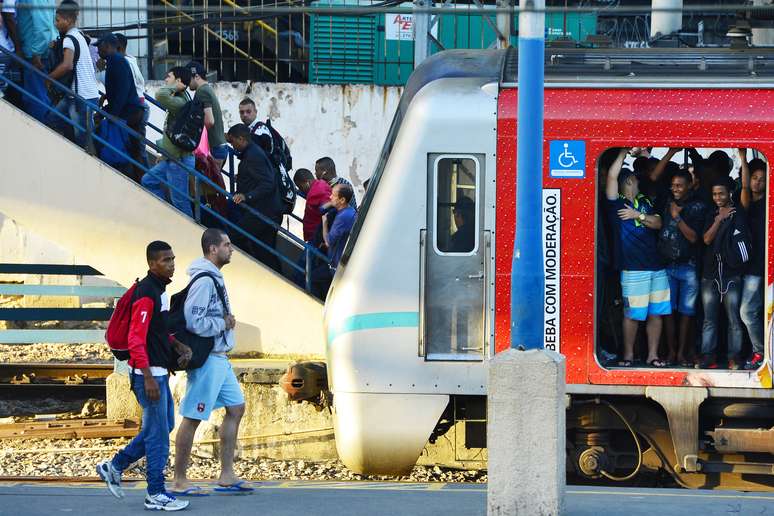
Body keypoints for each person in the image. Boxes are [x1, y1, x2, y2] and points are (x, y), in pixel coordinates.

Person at [96, 241, 191, 511]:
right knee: (158, 436)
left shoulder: (158, 290)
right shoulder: (147, 294)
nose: (172, 264)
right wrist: (148, 377)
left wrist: (177, 345)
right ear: (152, 264)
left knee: (161, 428)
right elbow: (136, 339)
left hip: (158, 372)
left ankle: (114, 466)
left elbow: (157, 331)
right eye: (165, 260)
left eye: (173, 258)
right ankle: (156, 493)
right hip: (149, 376)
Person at [173, 228, 254, 496]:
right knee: (193, 417)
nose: (231, 249)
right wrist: (222, 323)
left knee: (236, 408)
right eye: (227, 245)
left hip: (220, 357)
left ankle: (227, 474)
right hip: (209, 359)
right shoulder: (205, 281)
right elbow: (193, 320)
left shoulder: (213, 278)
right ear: (212, 249)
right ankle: (180, 479)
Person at [606, 148, 670, 368]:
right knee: (632, 314)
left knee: (656, 313)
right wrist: (624, 150)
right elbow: (613, 176)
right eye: (634, 178)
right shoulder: (616, 202)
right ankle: (628, 355)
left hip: (656, 266)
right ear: (630, 181)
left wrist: (638, 215)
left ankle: (653, 356)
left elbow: (658, 223)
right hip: (633, 268)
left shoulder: (645, 201)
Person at [699, 177, 748, 370]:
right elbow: (706, 239)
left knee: (734, 319)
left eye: (721, 193)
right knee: (709, 319)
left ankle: (734, 357)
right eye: (714, 194)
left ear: (729, 193)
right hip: (710, 274)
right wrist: (719, 218)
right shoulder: (711, 212)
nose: (717, 197)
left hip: (731, 274)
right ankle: (708, 356)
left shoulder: (739, 213)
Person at [658, 169, 706, 367]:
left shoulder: (698, 207)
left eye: (679, 185)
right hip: (667, 264)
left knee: (687, 312)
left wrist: (677, 218)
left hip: (689, 266)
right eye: (673, 185)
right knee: (668, 311)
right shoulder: (665, 202)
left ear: (689, 186)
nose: (675, 189)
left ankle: (682, 353)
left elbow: (694, 238)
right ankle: (671, 351)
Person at [227, 123, 284, 271]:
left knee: (232, 237)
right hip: (265, 211)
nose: (232, 146)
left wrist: (247, 196)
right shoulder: (251, 153)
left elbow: (268, 183)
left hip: (264, 212)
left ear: (241, 139)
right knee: (264, 252)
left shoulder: (253, 155)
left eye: (232, 141)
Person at [141, 66, 193, 217]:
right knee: (148, 180)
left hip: (179, 160)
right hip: (171, 158)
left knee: (180, 202)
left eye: (168, 77)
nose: (165, 80)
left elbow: (160, 94)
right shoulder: (178, 99)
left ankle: (189, 233)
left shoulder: (180, 102)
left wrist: (174, 86)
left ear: (177, 81)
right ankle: (167, 214)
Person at [48, 0, 99, 151]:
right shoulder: (78, 35)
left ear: (68, 20)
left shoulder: (70, 38)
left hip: (80, 97)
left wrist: (48, 78)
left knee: (83, 140)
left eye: (57, 20)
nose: (56, 24)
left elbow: (67, 65)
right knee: (53, 120)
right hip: (78, 95)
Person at [97, 33, 146, 179]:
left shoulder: (116, 61)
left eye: (99, 47)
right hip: (128, 111)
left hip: (129, 112)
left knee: (132, 151)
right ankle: (139, 181)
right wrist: (107, 110)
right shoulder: (114, 60)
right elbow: (117, 92)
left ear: (106, 45)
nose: (98, 51)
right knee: (132, 151)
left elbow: (123, 91)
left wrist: (112, 114)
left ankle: (141, 183)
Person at [737, 149, 766, 370]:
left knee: (748, 311)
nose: (757, 183)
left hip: (759, 266)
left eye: (762, 180)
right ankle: (758, 350)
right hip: (748, 266)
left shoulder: (769, 203)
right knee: (748, 312)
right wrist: (743, 159)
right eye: (755, 178)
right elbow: (745, 187)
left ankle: (759, 352)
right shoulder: (745, 202)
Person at [15, 0, 56, 121]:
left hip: (36, 55)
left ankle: (41, 134)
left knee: (35, 99)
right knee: (39, 96)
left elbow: (43, 28)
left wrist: (36, 53)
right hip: (41, 51)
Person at [186, 61, 228, 168]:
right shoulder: (207, 89)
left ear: (196, 76)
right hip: (218, 146)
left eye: (188, 79)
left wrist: (196, 138)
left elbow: (209, 121)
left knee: (206, 184)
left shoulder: (202, 91)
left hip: (214, 148)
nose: (186, 83)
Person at [115, 33, 148, 165]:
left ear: (118, 47)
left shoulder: (124, 62)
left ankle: (145, 180)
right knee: (137, 147)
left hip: (136, 107)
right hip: (139, 105)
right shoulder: (130, 60)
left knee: (137, 149)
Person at [323, 183, 356, 271]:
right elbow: (322, 208)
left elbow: (328, 242)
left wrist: (324, 223)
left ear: (342, 200)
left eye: (333, 195)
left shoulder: (343, 217)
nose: (330, 197)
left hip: (336, 266)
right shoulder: (349, 210)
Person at [293, 167, 331, 242]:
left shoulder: (317, 192)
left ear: (307, 182)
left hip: (318, 239)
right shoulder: (320, 186)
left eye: (300, 187)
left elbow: (329, 213)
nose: (301, 190)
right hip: (316, 236)